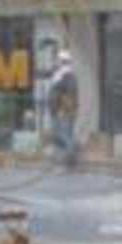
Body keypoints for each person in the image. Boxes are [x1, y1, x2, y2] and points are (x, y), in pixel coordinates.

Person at [40, 42, 83, 171]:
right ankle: (62, 161)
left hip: (63, 111)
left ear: (62, 61)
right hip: (56, 110)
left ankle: (70, 161)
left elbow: (69, 95)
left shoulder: (68, 76)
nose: (55, 62)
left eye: (57, 60)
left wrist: (64, 109)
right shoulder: (58, 74)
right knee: (58, 135)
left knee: (64, 135)